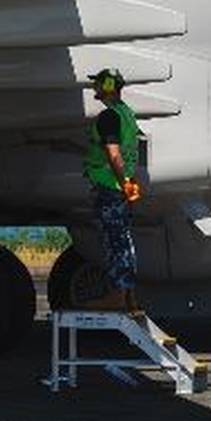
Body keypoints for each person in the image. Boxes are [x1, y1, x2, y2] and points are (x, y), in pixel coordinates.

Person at [82, 68, 144, 311]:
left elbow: (114, 154)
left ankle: (116, 297)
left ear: (107, 86)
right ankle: (129, 297)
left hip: (110, 186)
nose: (94, 87)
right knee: (124, 242)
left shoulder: (108, 116)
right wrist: (129, 183)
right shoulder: (127, 114)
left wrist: (123, 181)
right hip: (121, 187)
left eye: (98, 83)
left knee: (114, 242)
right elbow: (131, 153)